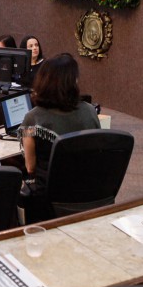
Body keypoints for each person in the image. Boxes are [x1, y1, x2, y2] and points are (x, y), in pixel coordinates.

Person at [19, 53, 100, 221]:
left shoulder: (32, 118)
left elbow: (30, 167)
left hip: (49, 198)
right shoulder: (90, 111)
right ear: (72, 83)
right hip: (88, 192)